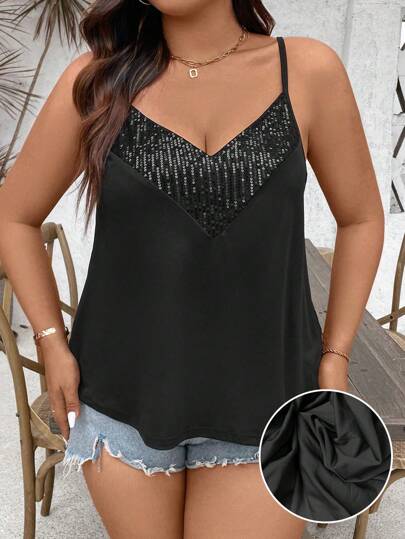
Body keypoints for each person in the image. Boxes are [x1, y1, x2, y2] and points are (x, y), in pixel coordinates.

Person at [0, 1, 384, 537]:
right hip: (122, 396)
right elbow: (14, 216)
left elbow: (361, 218)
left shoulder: (307, 71)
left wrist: (335, 356)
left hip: (269, 398)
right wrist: (50, 342)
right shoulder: (98, 80)